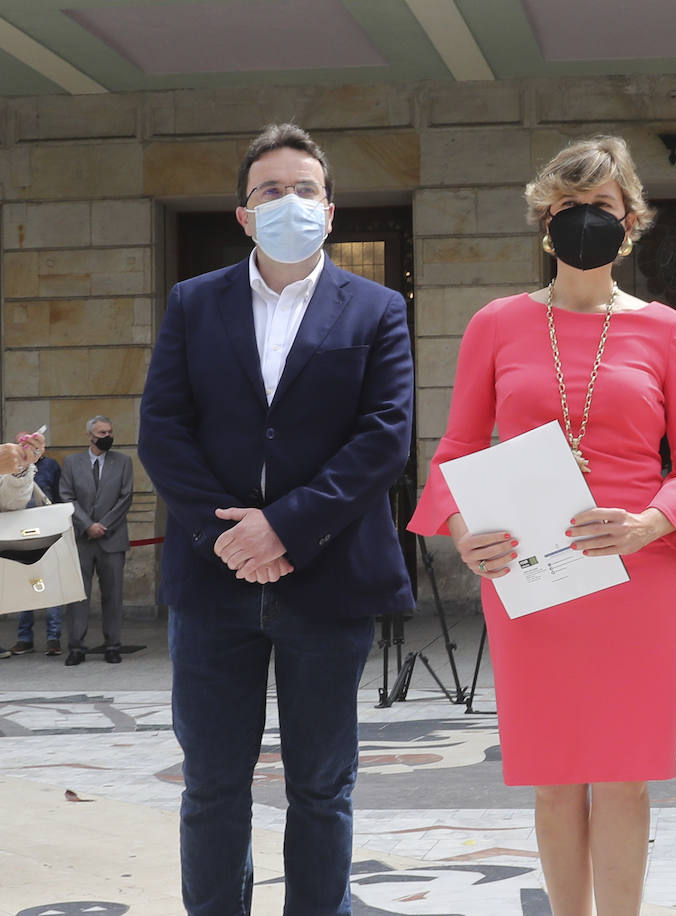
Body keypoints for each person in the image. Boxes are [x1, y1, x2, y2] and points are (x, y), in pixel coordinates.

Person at [407, 135, 676, 916]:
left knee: (624, 774)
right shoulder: (496, 323)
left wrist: (649, 524)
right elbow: (453, 450)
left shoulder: (667, 330)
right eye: (570, 207)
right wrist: (459, 529)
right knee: (554, 780)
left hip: (635, 576)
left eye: (605, 207)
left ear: (632, 221)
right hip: (530, 574)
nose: (589, 219)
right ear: (546, 222)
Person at [139, 123, 414, 915]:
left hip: (326, 583)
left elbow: (383, 437)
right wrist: (227, 537)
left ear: (330, 211)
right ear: (243, 214)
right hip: (212, 582)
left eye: (304, 189)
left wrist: (284, 528)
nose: (287, 201)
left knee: (322, 788)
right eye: (269, 190)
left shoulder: (377, 308)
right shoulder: (194, 304)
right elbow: (163, 426)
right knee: (213, 786)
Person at [59, 415, 133, 665]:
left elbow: (126, 497)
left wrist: (104, 525)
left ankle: (112, 645)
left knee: (113, 595)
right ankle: (76, 647)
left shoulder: (123, 462)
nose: (107, 437)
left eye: (110, 432)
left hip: (112, 540)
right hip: (82, 540)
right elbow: (66, 495)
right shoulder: (71, 462)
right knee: (79, 596)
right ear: (89, 435)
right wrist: (88, 524)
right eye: (102, 433)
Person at [11, 452, 64, 656]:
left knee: (51, 586)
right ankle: (25, 639)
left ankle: (53, 638)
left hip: (47, 532)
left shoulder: (51, 465)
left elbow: (59, 497)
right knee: (26, 587)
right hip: (19, 535)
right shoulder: (11, 467)